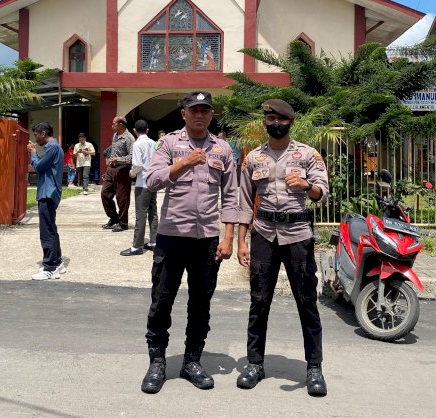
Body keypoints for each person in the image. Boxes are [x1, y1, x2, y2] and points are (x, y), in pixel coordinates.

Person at [140, 91, 238, 394]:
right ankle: (157, 363)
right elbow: (152, 180)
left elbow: (231, 195)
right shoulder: (168, 143)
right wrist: (182, 163)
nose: (200, 115)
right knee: (162, 301)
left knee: (200, 304)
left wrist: (229, 236)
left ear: (211, 115)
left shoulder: (222, 149)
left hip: (207, 239)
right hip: (171, 237)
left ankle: (192, 361)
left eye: (205, 110)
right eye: (194, 110)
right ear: (183, 114)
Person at [236, 99, 329, 396]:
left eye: (280, 118)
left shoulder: (308, 155)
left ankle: (314, 368)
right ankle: (254, 363)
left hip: (298, 234)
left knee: (306, 301)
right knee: (259, 299)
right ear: (265, 122)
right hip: (263, 234)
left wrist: (306, 186)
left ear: (290, 122)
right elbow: (243, 201)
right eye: (270, 118)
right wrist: (241, 240)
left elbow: (322, 193)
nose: (274, 122)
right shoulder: (253, 158)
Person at [27, 122, 66, 281]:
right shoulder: (54, 147)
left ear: (43, 133)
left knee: (46, 231)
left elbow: (39, 167)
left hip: (47, 193)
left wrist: (33, 153)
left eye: (36, 135)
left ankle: (50, 267)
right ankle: (57, 261)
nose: (36, 139)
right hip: (49, 193)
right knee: (51, 227)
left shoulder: (52, 147)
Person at [121, 120, 158, 257]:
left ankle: (137, 246)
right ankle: (154, 241)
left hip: (142, 182)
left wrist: (131, 174)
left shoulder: (137, 144)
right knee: (153, 212)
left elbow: (137, 165)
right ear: (147, 130)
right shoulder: (154, 143)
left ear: (134, 130)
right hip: (153, 182)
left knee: (140, 214)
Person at [101, 116, 135, 232]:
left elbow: (132, 157)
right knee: (105, 193)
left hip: (123, 169)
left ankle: (123, 223)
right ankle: (114, 218)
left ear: (121, 125)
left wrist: (119, 160)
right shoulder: (115, 135)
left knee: (122, 198)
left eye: (113, 124)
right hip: (112, 168)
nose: (112, 126)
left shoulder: (129, 138)